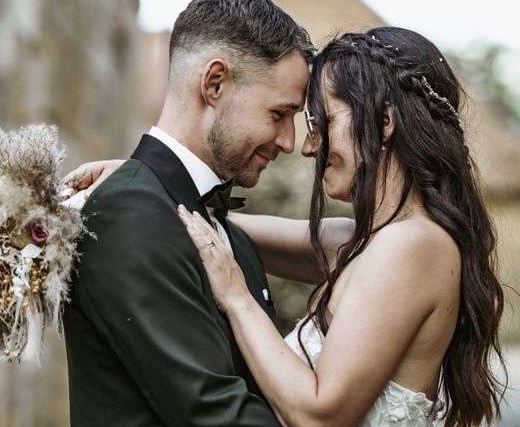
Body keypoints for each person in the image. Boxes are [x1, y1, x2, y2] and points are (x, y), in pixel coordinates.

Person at [65, 27, 507, 426]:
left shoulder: (412, 247)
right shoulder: (369, 246)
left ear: (384, 121)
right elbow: (222, 224)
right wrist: (147, 178)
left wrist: (237, 298)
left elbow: (320, 416)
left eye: (320, 123)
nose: (307, 147)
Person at [61, 0, 319, 426]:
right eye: (279, 114)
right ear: (214, 83)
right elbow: (216, 413)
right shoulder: (128, 216)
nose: (289, 142)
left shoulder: (215, 225)